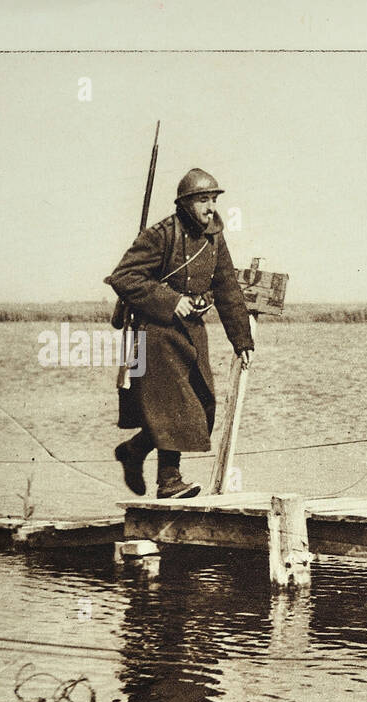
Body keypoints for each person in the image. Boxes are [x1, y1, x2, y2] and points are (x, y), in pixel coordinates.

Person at [107, 168, 254, 499]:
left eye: (214, 200)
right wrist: (171, 301)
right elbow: (124, 277)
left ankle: (133, 451)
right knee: (175, 406)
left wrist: (242, 340)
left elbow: (227, 288)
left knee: (200, 405)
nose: (210, 208)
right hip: (156, 334)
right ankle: (169, 481)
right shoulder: (160, 235)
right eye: (203, 200)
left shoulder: (215, 238)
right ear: (186, 203)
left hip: (192, 335)